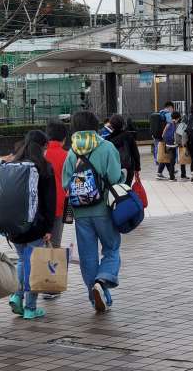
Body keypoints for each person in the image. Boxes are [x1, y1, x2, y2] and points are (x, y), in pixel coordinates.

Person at [62, 111, 122, 313]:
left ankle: (96, 296)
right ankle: (102, 281)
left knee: (88, 256)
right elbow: (115, 178)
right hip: (103, 209)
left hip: (80, 212)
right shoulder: (106, 147)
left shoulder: (72, 152)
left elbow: (65, 183)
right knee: (111, 248)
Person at [8, 131, 56, 320]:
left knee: (22, 260)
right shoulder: (44, 167)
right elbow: (50, 201)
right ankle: (30, 308)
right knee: (33, 264)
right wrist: (49, 228)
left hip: (14, 224)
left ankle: (17, 296)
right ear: (43, 146)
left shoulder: (13, 164)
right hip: (35, 225)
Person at [43, 120, 69, 299]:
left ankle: (36, 282)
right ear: (64, 138)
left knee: (40, 245)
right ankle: (50, 287)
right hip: (58, 207)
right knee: (54, 245)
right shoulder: (67, 155)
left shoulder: (41, 153)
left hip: (39, 208)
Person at [106, 114, 141, 185]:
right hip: (128, 168)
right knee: (127, 187)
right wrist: (137, 169)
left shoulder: (108, 139)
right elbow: (135, 153)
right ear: (122, 124)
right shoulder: (128, 136)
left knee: (115, 189)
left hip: (114, 168)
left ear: (111, 125)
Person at [162, 111, 186, 181]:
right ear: (178, 118)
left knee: (172, 161)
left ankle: (171, 177)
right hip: (177, 144)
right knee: (182, 158)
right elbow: (182, 135)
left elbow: (163, 135)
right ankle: (183, 175)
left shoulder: (168, 124)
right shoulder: (179, 124)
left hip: (168, 144)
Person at [155, 101, 174, 180]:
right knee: (166, 155)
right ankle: (171, 173)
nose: (172, 110)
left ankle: (160, 172)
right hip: (166, 137)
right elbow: (169, 124)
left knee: (164, 154)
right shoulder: (168, 114)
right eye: (172, 108)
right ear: (170, 107)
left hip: (159, 137)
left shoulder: (160, 113)